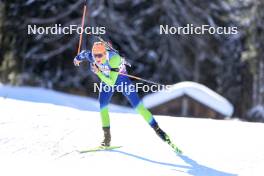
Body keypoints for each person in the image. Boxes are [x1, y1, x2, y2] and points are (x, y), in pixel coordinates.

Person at [73, 41, 181, 153]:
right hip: (107, 80)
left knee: (138, 107)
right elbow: (84, 54)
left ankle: (159, 131)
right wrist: (77, 59)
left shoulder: (114, 59)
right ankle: (107, 139)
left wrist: (98, 73)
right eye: (95, 56)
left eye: (100, 56)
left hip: (120, 80)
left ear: (105, 54)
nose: (97, 59)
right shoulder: (92, 56)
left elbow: (111, 82)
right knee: (103, 107)